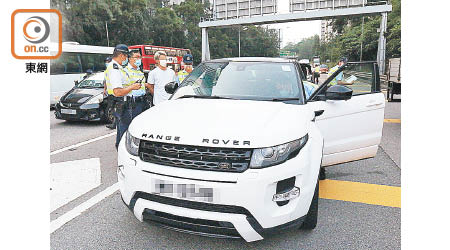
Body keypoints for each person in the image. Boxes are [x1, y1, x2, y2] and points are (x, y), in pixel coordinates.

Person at [104, 44, 142, 149]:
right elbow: (118, 92)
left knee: (121, 130)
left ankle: (120, 150)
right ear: (121, 55)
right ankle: (123, 156)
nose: (127, 58)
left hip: (121, 103)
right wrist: (132, 87)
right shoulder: (114, 68)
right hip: (121, 103)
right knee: (124, 132)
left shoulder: (118, 67)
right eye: (126, 56)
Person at [123, 50, 149, 118]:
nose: (139, 59)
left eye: (140, 57)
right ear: (130, 58)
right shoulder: (125, 71)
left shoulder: (139, 71)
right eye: (137, 57)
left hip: (143, 100)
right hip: (133, 103)